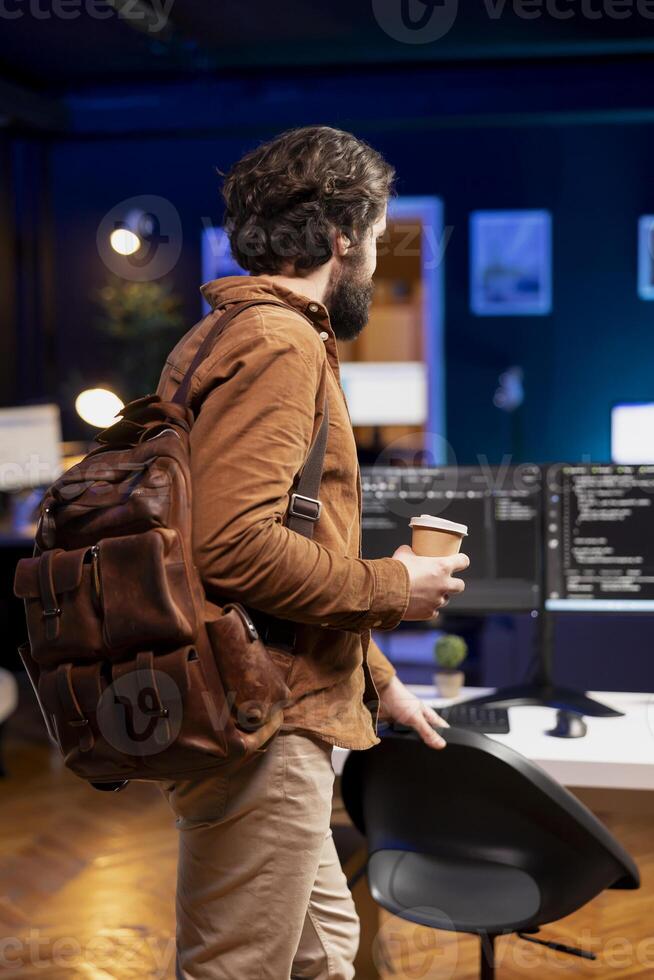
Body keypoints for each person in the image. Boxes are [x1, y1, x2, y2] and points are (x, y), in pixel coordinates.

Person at [156, 125, 469, 980]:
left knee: (322, 958)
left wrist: (380, 679)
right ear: (341, 237)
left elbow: (277, 549)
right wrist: (393, 583)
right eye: (375, 235)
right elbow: (233, 548)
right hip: (266, 724)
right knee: (240, 967)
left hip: (276, 707)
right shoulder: (279, 344)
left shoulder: (223, 335)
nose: (374, 253)